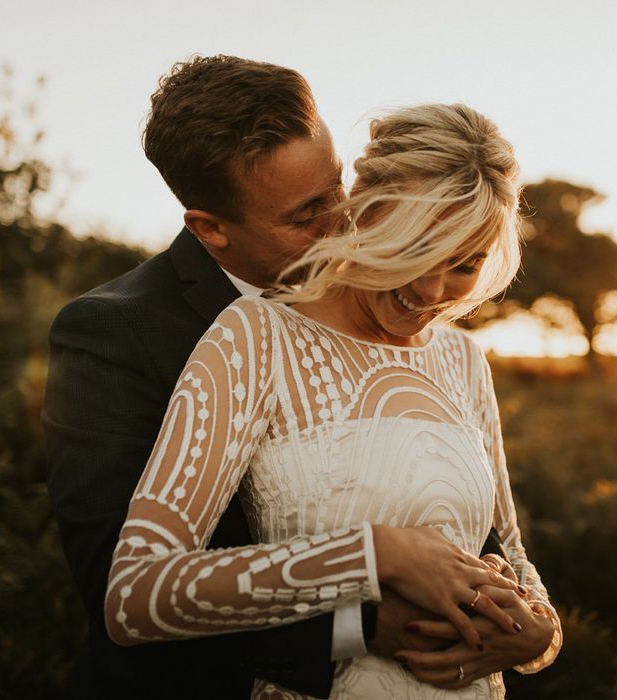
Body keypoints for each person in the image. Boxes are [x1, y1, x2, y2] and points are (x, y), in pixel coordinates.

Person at [43, 55, 529, 700]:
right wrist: (363, 623)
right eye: (307, 214)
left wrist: (526, 634)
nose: (344, 221)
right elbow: (120, 588)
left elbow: (490, 544)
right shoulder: (119, 334)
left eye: (338, 187)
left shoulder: (450, 353)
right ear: (210, 228)